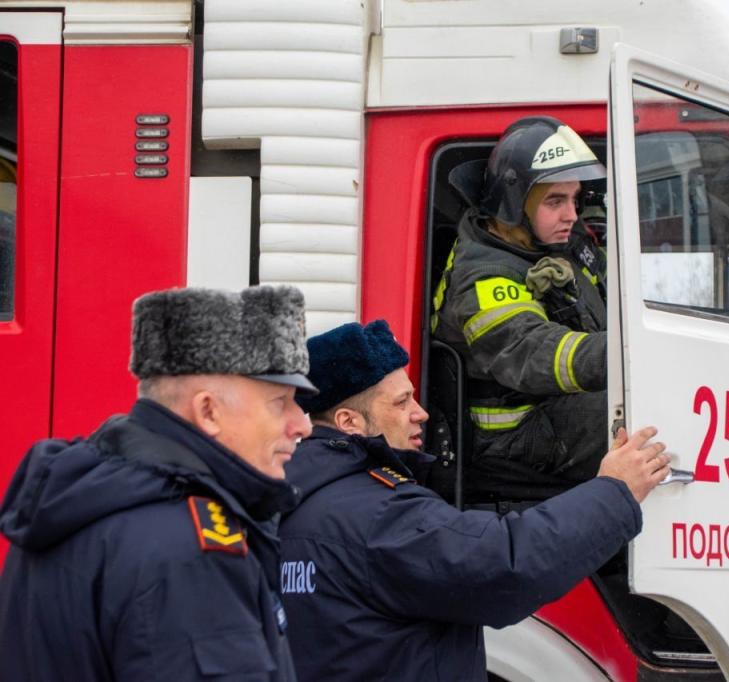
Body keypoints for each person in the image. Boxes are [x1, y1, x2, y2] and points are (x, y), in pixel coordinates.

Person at [278, 319, 669, 681]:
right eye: (401, 403)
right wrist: (615, 491)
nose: (422, 414)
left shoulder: (292, 501)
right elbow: (505, 564)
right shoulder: (377, 513)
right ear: (349, 422)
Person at [0, 285, 316, 681]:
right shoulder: (189, 552)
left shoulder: (79, 500)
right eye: (280, 402)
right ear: (208, 411)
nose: (301, 424)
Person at [432, 115, 609, 494]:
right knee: (640, 419)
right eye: (555, 201)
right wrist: (625, 356)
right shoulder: (483, 276)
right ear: (515, 202)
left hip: (554, 412)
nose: (572, 215)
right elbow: (533, 353)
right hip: (513, 437)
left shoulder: (553, 246)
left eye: (575, 199)